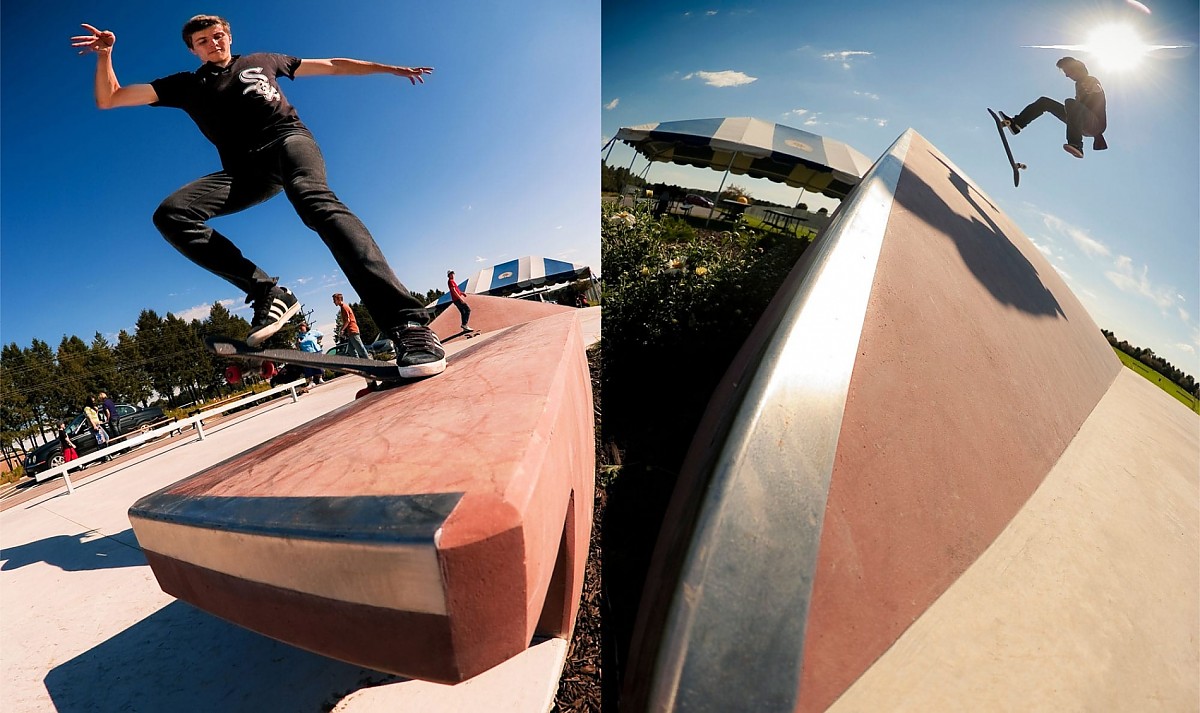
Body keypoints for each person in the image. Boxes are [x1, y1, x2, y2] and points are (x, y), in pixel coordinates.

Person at [71, 15, 446, 378]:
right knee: (171, 214)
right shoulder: (185, 85)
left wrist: (391, 69)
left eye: (218, 36)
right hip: (244, 172)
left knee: (312, 199)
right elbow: (112, 98)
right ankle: (267, 291)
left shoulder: (262, 61)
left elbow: (331, 65)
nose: (213, 44)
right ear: (193, 49)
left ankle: (408, 323)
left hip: (288, 142)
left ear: (228, 37)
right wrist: (106, 55)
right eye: (203, 41)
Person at [1001, 56, 1108, 159]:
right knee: (1045, 102)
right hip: (1082, 121)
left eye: (1067, 71)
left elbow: (1097, 89)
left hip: (1096, 124)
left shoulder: (1090, 80)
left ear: (1075, 68)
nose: (1066, 75)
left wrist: (1094, 89)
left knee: (1070, 103)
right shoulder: (1078, 84)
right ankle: (1017, 124)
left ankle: (1076, 145)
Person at [333, 292, 370, 360]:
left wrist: (342, 330)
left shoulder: (344, 307)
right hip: (350, 332)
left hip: (353, 331)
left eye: (334, 300)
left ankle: (371, 364)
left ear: (339, 299)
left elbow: (348, 320)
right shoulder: (342, 307)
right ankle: (358, 364)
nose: (333, 302)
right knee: (351, 350)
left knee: (360, 349)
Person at [296, 322, 325, 386]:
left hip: (315, 351)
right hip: (305, 353)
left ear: (305, 326)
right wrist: (298, 343)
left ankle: (320, 379)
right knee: (308, 367)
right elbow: (297, 347)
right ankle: (311, 381)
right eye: (300, 327)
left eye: (302, 327)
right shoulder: (299, 336)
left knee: (318, 365)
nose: (301, 328)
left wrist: (318, 340)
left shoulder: (312, 332)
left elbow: (321, 334)